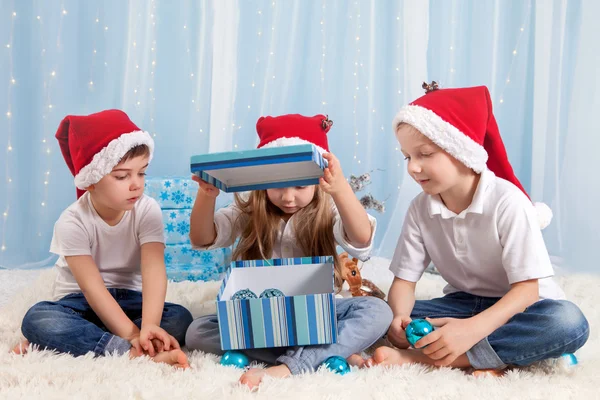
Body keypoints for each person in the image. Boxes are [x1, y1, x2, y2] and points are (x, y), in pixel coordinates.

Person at [366, 83, 589, 376]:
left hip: (523, 308)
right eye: (408, 157)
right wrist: (400, 317)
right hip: (465, 303)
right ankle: (498, 355)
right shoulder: (420, 209)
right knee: (374, 314)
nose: (412, 168)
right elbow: (405, 282)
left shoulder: (508, 202)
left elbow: (526, 290)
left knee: (567, 322)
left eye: (424, 154)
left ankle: (433, 360)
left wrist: (471, 331)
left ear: (461, 151)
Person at [185, 114, 392, 388]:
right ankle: (323, 353)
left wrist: (341, 189)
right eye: (279, 186)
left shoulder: (326, 206)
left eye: (300, 186)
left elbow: (362, 238)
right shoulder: (251, 206)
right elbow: (203, 237)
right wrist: (206, 196)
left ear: (317, 179)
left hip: (321, 313)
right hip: (264, 316)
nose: (289, 197)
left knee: (378, 311)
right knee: (197, 332)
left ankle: (289, 366)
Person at [14, 110, 193, 369]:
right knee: (38, 319)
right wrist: (133, 336)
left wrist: (151, 326)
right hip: (81, 302)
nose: (136, 184)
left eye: (141, 173)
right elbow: (92, 288)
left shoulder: (147, 209)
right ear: (91, 182)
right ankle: (129, 351)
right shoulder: (72, 221)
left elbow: (154, 268)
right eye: (122, 176)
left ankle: (79, 341)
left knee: (179, 318)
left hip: (131, 299)